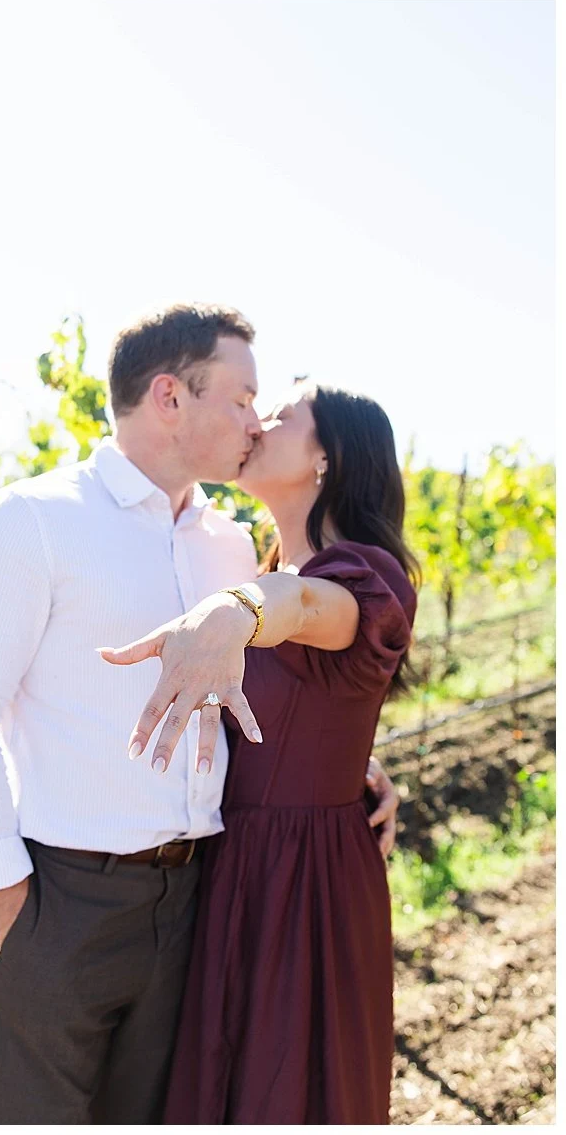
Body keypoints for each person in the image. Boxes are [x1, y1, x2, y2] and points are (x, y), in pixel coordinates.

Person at [0, 304, 399, 1124]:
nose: (253, 420)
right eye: (242, 398)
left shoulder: (232, 548)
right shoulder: (32, 520)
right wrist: (9, 898)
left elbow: (294, 679)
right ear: (171, 396)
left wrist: (348, 764)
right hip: (63, 897)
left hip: (200, 900)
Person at [99, 384, 417, 1123]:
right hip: (228, 859)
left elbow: (304, 608)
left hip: (303, 879)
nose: (254, 424)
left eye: (278, 418)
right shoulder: (247, 557)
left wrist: (236, 609)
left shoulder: (366, 574)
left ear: (326, 460)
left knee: (291, 1083)